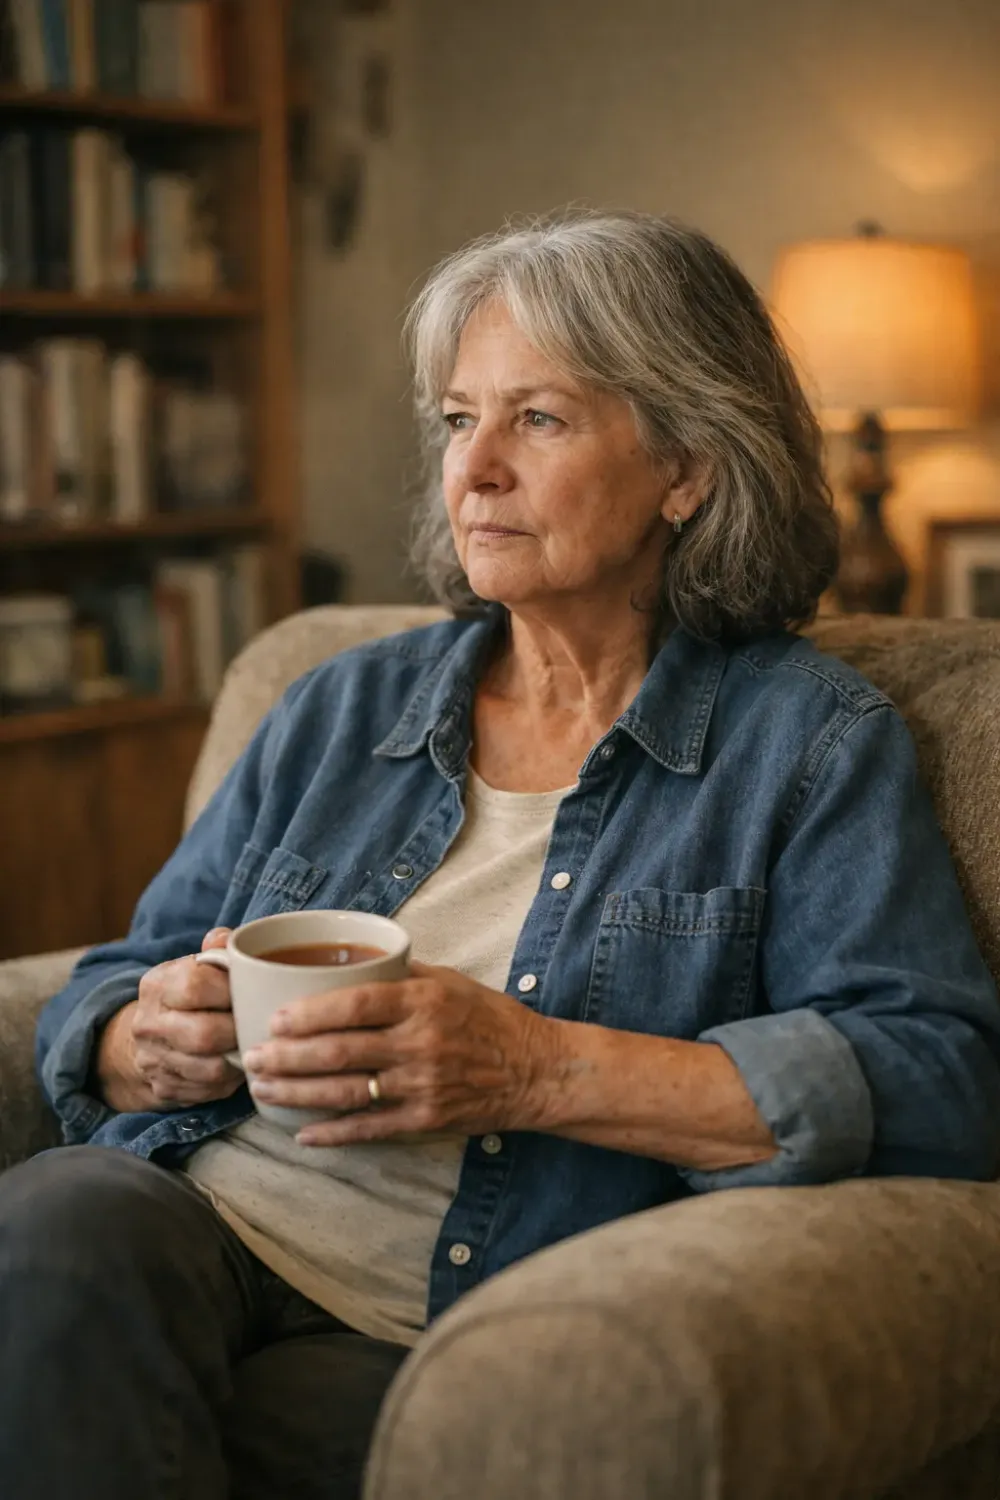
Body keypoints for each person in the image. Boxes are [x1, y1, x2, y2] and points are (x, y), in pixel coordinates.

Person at [3, 210, 1000, 1500]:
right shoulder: (342, 704)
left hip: (469, 1299)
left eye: (537, 420)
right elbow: (128, 968)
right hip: (202, 1220)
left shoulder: (805, 744)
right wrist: (143, 1037)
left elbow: (938, 1077)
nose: (472, 470)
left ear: (687, 466)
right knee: (50, 1227)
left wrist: (533, 1068)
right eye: (456, 420)